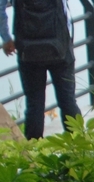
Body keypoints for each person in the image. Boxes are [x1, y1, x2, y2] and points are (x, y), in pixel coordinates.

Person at [0, 0, 81, 139]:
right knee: (67, 100)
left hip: (28, 50)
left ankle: (34, 152)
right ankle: (78, 145)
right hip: (60, 47)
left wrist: (6, 38)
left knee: (34, 105)